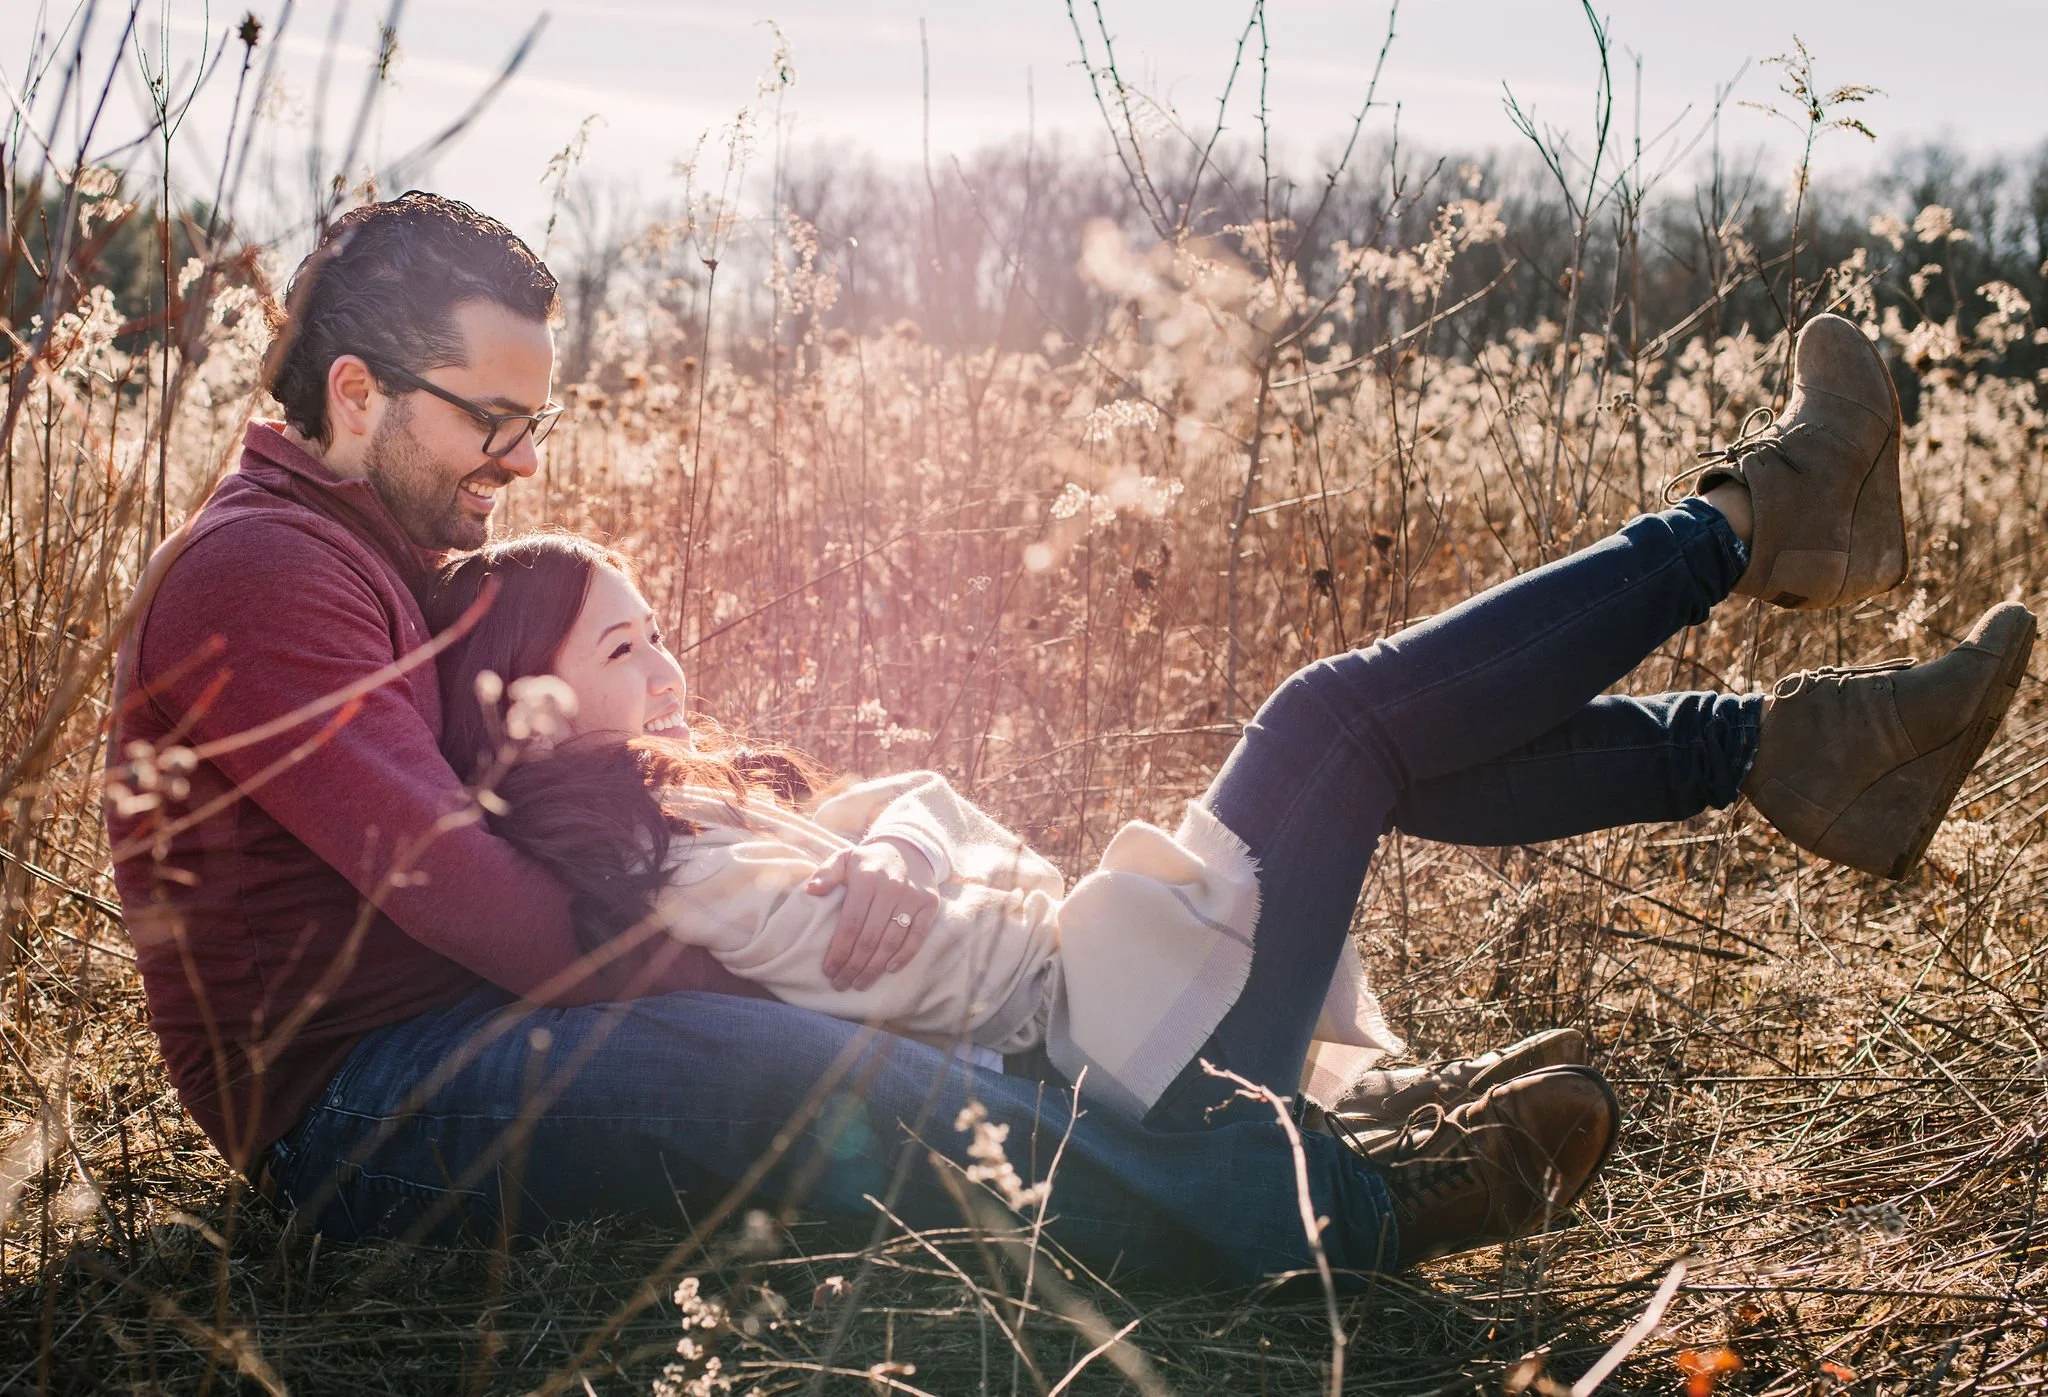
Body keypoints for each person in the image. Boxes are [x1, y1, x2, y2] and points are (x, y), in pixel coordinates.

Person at [105, 189, 2032, 1284]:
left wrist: (819, 849)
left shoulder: (387, 551)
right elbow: (458, 886)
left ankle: (1775, 726)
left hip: (483, 1034)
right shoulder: (263, 577)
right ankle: (1326, 1202)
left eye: (541, 427)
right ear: (355, 391)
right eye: (485, 422)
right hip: (370, 1109)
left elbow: (577, 797)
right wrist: (762, 935)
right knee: (829, 1075)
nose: (519, 466)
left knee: (1345, 751)